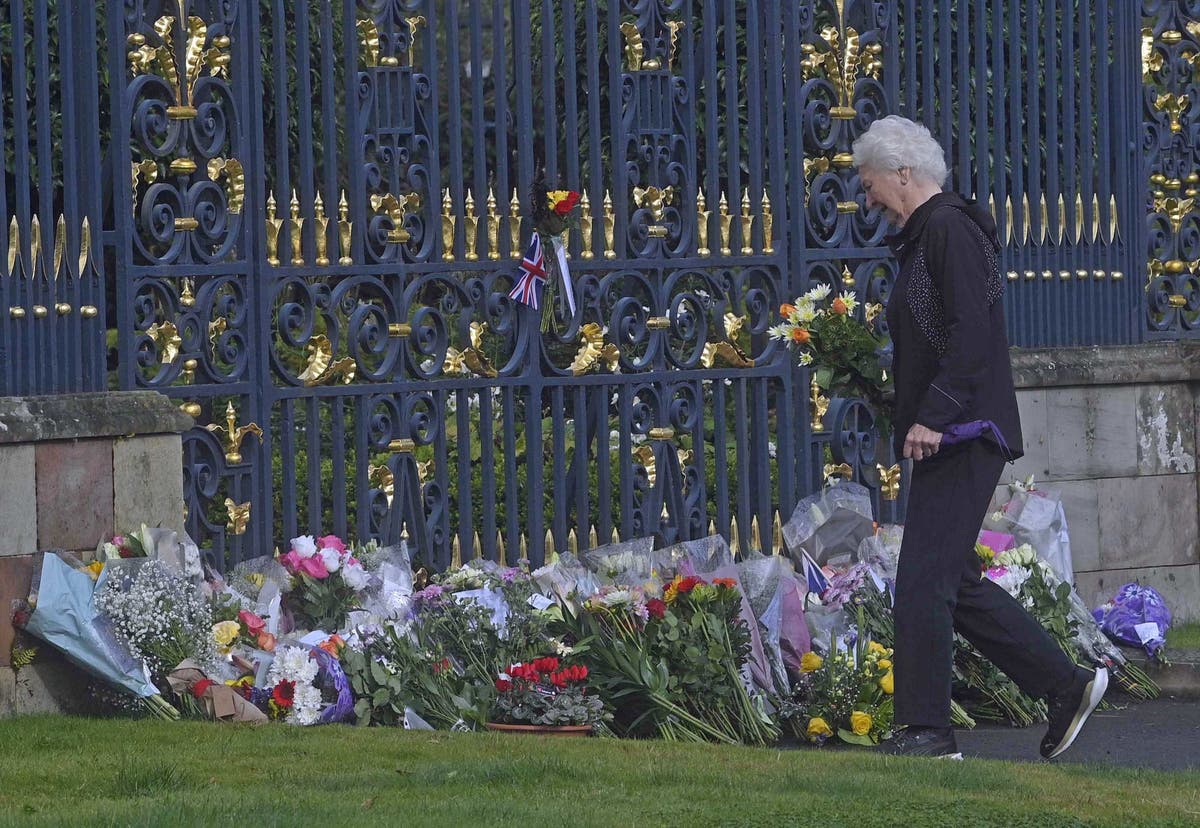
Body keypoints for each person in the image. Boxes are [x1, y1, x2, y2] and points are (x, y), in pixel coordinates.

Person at [851, 116, 1107, 759]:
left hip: (966, 431)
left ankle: (928, 732)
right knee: (951, 581)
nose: (867, 193)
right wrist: (898, 396)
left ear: (903, 173)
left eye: (871, 179)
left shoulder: (950, 231)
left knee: (922, 581)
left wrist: (933, 414)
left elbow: (972, 338)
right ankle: (1064, 685)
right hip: (953, 428)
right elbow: (941, 338)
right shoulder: (931, 234)